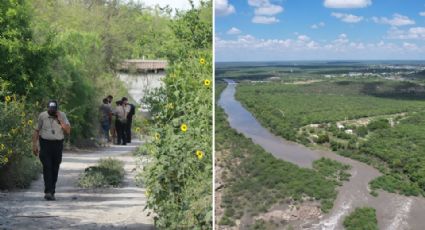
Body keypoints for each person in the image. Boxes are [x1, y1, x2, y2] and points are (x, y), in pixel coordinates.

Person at [32, 100, 71, 201]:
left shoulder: (62, 115)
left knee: (55, 168)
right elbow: (36, 130)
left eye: (54, 110)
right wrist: (34, 145)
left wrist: (60, 120)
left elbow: (68, 130)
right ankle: (48, 192)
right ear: (47, 108)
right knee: (47, 167)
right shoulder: (42, 116)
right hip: (45, 144)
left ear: (57, 109)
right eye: (50, 109)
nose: (52, 111)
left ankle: (52, 191)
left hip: (57, 145)